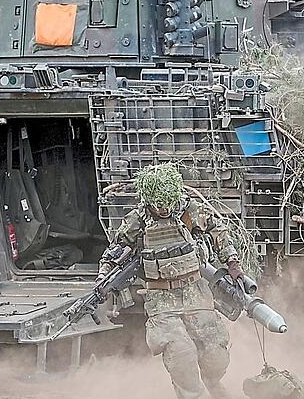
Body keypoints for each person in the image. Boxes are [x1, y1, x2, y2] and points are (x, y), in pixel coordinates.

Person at [98, 163, 244, 399]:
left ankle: (212, 383)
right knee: (182, 356)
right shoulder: (137, 221)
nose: (165, 209)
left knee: (215, 354)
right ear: (149, 200)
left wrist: (233, 263)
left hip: (195, 291)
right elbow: (114, 252)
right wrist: (103, 278)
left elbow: (217, 231)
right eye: (159, 205)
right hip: (161, 299)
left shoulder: (188, 210)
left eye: (169, 203)